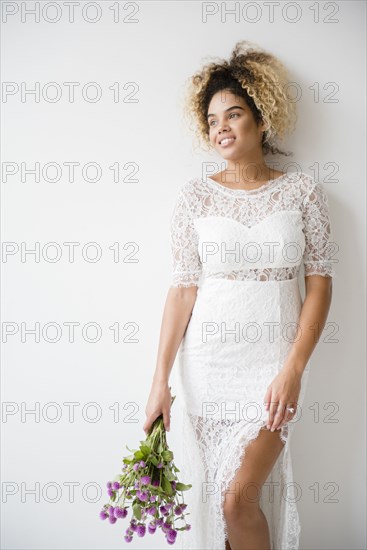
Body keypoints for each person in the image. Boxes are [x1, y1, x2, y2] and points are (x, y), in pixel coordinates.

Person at [143, 40, 335, 550]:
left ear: (261, 119)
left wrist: (294, 367)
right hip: (208, 365)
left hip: (274, 362)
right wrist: (159, 382)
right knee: (223, 503)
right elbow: (183, 290)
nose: (221, 127)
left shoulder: (302, 192)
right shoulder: (194, 197)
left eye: (234, 114)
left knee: (238, 499)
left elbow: (319, 281)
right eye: (212, 120)